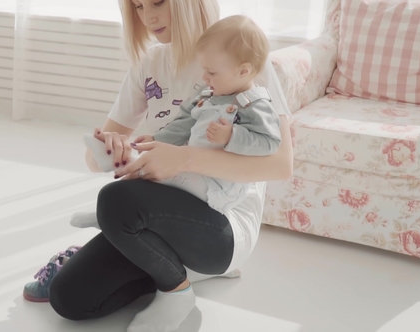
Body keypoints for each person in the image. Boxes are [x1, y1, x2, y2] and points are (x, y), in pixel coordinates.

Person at [23, 0, 294, 331]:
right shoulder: (151, 62)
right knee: (70, 298)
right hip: (153, 217)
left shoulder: (241, 52)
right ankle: (172, 267)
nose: (147, 16)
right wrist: (117, 149)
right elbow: (94, 160)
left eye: (158, 2)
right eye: (137, 6)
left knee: (116, 199)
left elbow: (281, 165)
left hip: (223, 220)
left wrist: (182, 158)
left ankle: (177, 289)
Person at [78, 14, 281, 218]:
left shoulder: (256, 104)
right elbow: (182, 125)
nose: (204, 78)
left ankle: (105, 214)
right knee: (145, 175)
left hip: (218, 185)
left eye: (211, 72)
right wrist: (155, 141)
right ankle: (107, 205)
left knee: (156, 175)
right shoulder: (207, 96)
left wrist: (232, 137)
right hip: (193, 172)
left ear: (243, 71)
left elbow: (269, 142)